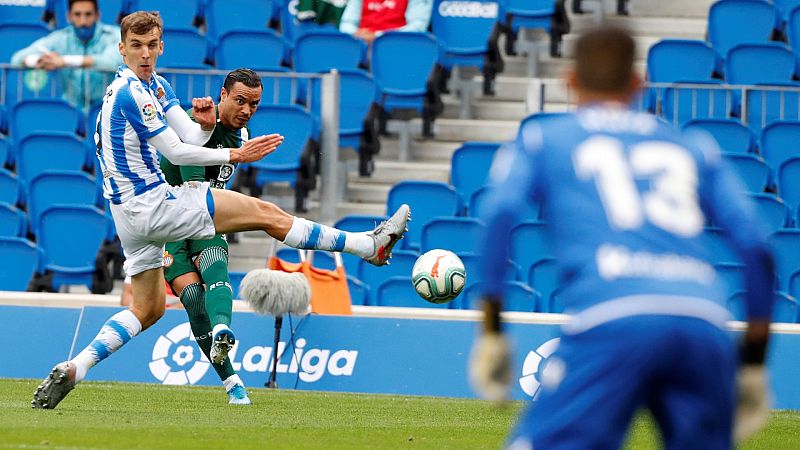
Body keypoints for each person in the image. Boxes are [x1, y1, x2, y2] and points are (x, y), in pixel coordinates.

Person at [32, 11, 410, 410]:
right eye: (136, 46)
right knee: (267, 214)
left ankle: (77, 366)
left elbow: (191, 134)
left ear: (161, 46)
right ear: (122, 48)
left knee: (147, 309)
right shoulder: (134, 93)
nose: (144, 54)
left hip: (127, 217)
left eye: (151, 45)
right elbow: (176, 151)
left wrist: (209, 125)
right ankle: (368, 247)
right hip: (152, 203)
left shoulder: (155, 86)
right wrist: (235, 151)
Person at [469, 26, 774, 449]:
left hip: (612, 313)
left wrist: (492, 330)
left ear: (569, 80)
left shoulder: (544, 138)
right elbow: (757, 245)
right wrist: (755, 362)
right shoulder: (694, 146)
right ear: (638, 83)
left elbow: (500, 211)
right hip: (704, 320)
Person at [160, 68, 266, 406]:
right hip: (172, 219)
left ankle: (223, 331)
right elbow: (194, 189)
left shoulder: (243, 133)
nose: (247, 110)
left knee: (215, 265)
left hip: (205, 215)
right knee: (192, 297)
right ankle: (232, 380)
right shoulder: (195, 124)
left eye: (254, 104)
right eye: (240, 101)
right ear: (222, 95)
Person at [11, 0, 122, 109]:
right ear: (69, 16)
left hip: (106, 109)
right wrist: (40, 60)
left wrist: (64, 61)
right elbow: (16, 59)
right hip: (70, 111)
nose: (83, 21)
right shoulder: (60, 38)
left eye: (88, 14)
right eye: (77, 14)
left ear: (97, 15)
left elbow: (112, 62)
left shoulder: (114, 35)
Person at [339, 0, 433, 44]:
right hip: (361, 45)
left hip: (396, 47)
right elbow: (346, 23)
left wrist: (377, 37)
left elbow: (418, 27)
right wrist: (356, 34)